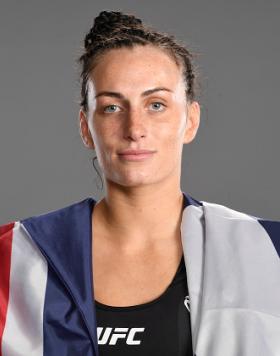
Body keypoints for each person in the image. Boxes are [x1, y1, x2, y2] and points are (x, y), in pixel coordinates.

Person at [0, 10, 279, 356]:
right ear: (86, 127)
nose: (135, 129)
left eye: (156, 104)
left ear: (191, 121)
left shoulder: (267, 252)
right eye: (112, 108)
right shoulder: (14, 258)